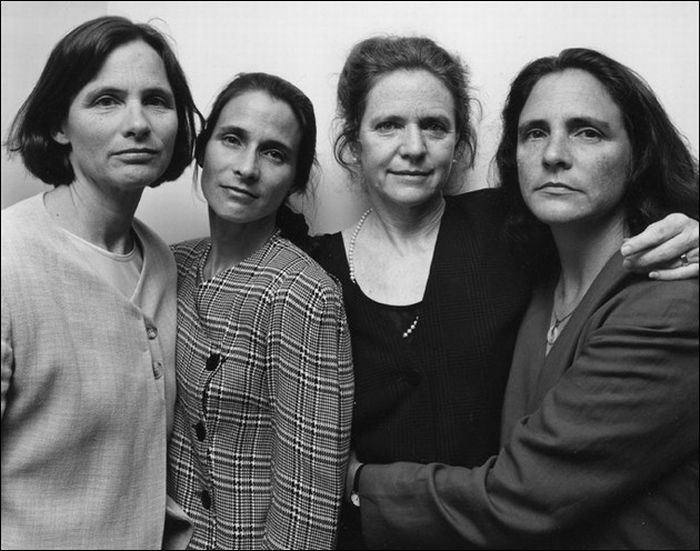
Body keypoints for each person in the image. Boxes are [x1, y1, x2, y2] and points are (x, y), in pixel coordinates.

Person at [305, 36, 699, 548]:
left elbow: (523, 493)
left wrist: (356, 481)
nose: (554, 155)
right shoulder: (543, 268)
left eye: (588, 132)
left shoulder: (510, 238)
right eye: (534, 133)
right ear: (352, 142)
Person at [1, 16, 200, 550]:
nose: (138, 123)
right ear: (59, 126)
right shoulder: (8, 258)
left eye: (156, 101)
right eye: (106, 100)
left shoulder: (160, 260)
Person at [167, 72, 354, 549]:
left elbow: (307, 509)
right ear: (203, 149)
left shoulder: (303, 294)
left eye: (274, 153)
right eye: (232, 139)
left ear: (294, 179)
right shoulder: (173, 263)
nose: (247, 168)